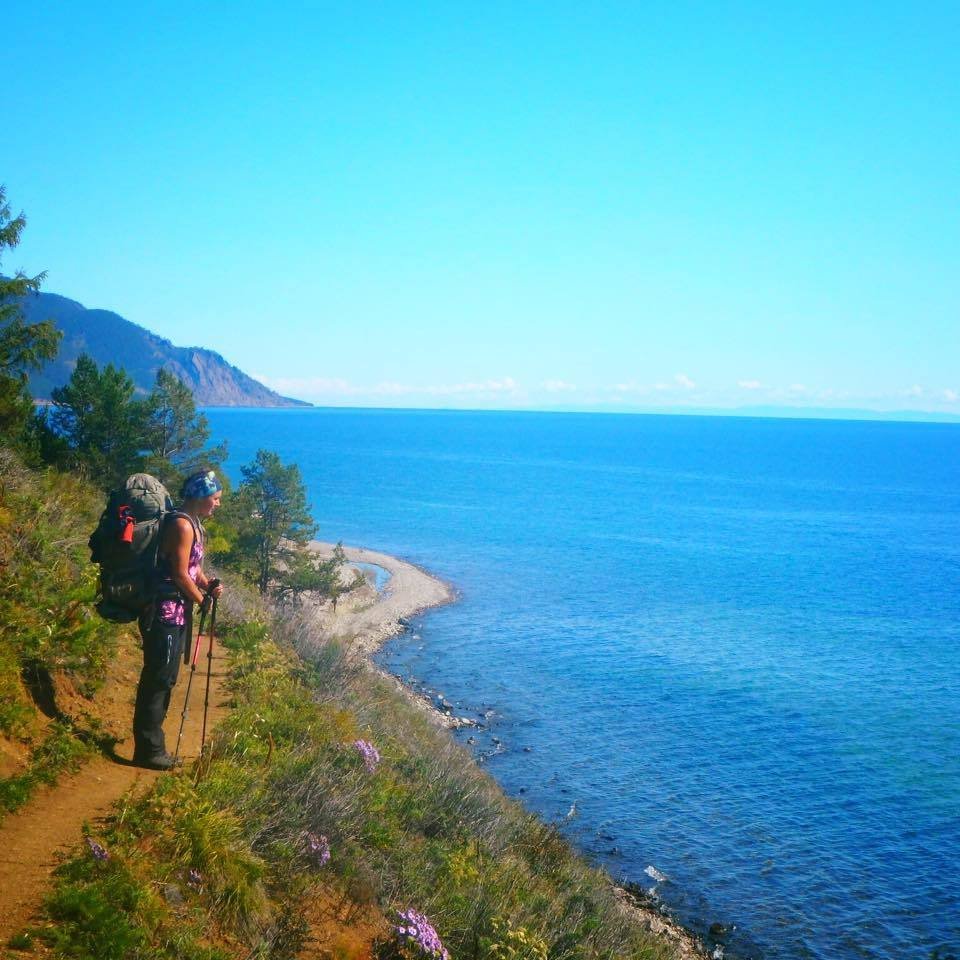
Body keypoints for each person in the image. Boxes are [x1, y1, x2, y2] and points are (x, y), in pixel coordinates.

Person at [132, 469, 224, 769]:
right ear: (200, 497)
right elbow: (178, 573)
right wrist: (202, 601)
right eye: (215, 498)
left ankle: (153, 746)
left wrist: (207, 585)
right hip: (162, 612)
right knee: (158, 677)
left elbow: (193, 569)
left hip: (175, 611)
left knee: (166, 676)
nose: (218, 504)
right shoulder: (182, 526)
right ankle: (148, 751)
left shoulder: (193, 524)